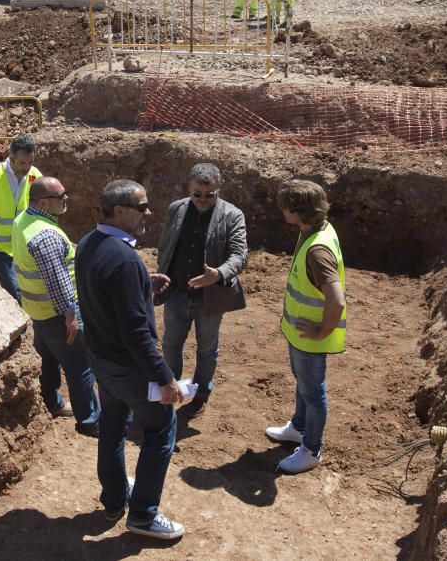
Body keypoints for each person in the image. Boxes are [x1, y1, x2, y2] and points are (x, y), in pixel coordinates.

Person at [75, 179, 185, 541]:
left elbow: (104, 299)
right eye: (142, 207)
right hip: (129, 368)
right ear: (120, 211)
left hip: (102, 362)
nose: (148, 213)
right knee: (161, 430)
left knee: (112, 426)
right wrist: (166, 378)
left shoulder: (89, 244)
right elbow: (138, 334)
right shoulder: (124, 259)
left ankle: (114, 499)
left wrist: (141, 286)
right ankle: (142, 514)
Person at [265, 179, 347, 474]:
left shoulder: (317, 250)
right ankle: (298, 428)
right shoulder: (316, 229)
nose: (281, 210)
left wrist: (320, 332)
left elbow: (336, 300)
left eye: (285, 205)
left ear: (296, 210)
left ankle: (311, 449)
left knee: (313, 394)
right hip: (299, 334)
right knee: (303, 383)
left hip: (310, 338)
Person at [155, 163, 247, 417]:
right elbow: (165, 246)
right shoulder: (176, 209)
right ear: (189, 188)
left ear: (219, 189)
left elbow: (240, 255)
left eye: (210, 195)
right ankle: (171, 388)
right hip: (176, 293)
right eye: (197, 194)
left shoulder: (232, 215)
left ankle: (201, 393)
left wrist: (218, 274)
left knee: (207, 349)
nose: (203, 200)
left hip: (210, 298)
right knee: (171, 344)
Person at [11, 177, 100, 436]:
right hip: (57, 313)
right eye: (61, 197)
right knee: (80, 367)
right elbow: (58, 281)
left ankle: (51, 402)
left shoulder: (23, 220)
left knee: (48, 359)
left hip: (37, 311)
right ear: (43, 202)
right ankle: (91, 421)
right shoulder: (46, 235)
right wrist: (71, 315)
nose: (66, 200)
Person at [0, 135, 42, 302]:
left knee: (29, 287)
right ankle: (20, 327)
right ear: (11, 158)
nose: (27, 167)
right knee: (13, 288)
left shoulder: (35, 176)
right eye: (22, 163)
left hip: (24, 243)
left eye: (30, 162)